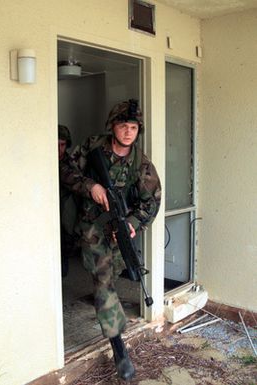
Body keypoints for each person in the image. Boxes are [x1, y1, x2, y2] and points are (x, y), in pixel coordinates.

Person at [71, 99, 161, 381]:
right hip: (93, 228)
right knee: (103, 281)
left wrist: (132, 224)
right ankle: (119, 348)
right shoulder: (92, 147)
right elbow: (64, 170)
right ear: (113, 126)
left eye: (133, 127)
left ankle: (111, 321)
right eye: (123, 125)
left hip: (117, 229)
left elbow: (152, 201)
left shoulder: (140, 163)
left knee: (114, 275)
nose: (128, 132)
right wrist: (91, 186)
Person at [58, 124, 82, 277]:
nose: (58, 149)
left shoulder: (71, 162)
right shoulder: (40, 160)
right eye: (55, 144)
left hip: (66, 208)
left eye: (62, 145)